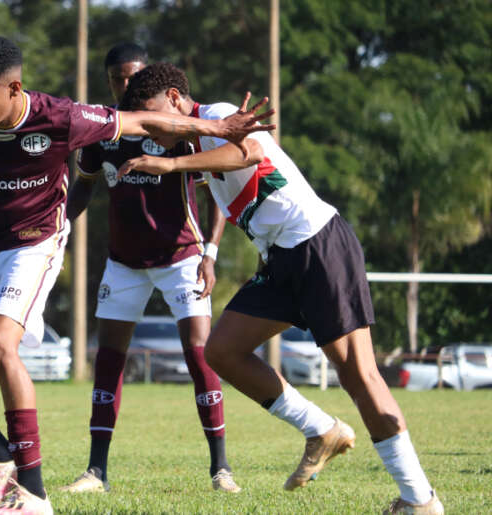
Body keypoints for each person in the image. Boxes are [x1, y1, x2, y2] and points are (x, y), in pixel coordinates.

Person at [0, 36, 273, 514]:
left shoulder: (61, 117)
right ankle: (2, 458)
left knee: (0, 342)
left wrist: (216, 126)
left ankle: (33, 494)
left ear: (14, 88)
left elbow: (144, 120)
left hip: (33, 243)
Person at [114, 62, 442, 514]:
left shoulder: (222, 113)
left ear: (174, 100)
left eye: (153, 115)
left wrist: (170, 164)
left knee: (359, 375)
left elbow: (245, 153)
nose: (153, 129)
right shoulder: (198, 142)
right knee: (221, 351)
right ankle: (320, 428)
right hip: (283, 260)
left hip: (317, 243)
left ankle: (419, 499)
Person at [61, 43, 239, 495]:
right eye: (118, 78)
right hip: (123, 262)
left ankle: (221, 469)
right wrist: (56, 228)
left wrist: (210, 252)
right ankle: (96, 472)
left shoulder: (177, 128)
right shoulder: (101, 130)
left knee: (201, 355)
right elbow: (81, 190)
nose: (126, 86)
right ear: (108, 81)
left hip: (181, 257)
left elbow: (217, 190)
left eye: (134, 77)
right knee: (108, 360)